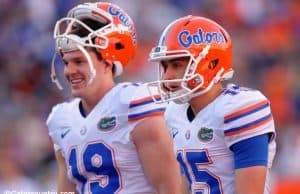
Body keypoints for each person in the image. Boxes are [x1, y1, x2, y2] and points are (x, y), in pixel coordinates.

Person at [46, 2, 182, 194]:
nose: (69, 71)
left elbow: (172, 188)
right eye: (66, 62)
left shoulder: (135, 105)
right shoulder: (61, 119)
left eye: (79, 61)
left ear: (108, 61)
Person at [146, 15, 276, 194]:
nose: (167, 75)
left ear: (211, 64)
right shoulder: (174, 113)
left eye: (176, 65)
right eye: (165, 66)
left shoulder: (241, 108)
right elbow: (188, 182)